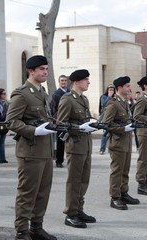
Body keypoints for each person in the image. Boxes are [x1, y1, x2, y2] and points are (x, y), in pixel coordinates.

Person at [6, 55, 57, 240]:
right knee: (27, 192)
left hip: (45, 151)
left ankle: (36, 227)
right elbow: (11, 122)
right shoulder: (22, 93)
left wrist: (53, 124)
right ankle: (21, 231)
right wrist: (34, 131)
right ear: (31, 71)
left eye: (46, 68)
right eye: (42, 69)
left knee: (43, 192)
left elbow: (44, 118)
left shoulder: (42, 93)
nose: (45, 72)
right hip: (29, 151)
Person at [57, 69, 97, 228]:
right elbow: (61, 124)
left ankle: (79, 209)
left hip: (85, 145)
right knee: (74, 181)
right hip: (75, 145)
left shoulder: (83, 99)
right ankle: (71, 213)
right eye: (86, 79)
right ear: (77, 81)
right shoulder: (67, 99)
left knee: (84, 180)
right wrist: (80, 127)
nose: (88, 82)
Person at [102, 76, 140, 211]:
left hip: (126, 142)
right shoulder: (113, 103)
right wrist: (124, 129)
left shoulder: (124, 102)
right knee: (117, 171)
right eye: (127, 86)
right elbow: (106, 125)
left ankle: (123, 193)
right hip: (117, 143)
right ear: (120, 88)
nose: (130, 88)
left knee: (125, 170)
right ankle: (115, 197)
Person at [51, 75, 70, 167]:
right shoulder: (56, 94)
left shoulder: (70, 93)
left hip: (70, 120)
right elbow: (54, 108)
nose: (64, 82)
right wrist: (56, 120)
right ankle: (59, 161)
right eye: (62, 80)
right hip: (60, 121)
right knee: (60, 141)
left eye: (65, 80)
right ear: (59, 82)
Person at [98, 84, 115, 155]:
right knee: (105, 133)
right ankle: (102, 149)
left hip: (114, 117)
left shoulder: (115, 97)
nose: (111, 91)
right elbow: (103, 104)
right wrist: (109, 97)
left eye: (112, 90)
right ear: (107, 90)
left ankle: (112, 148)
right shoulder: (104, 97)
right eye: (110, 90)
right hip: (105, 117)